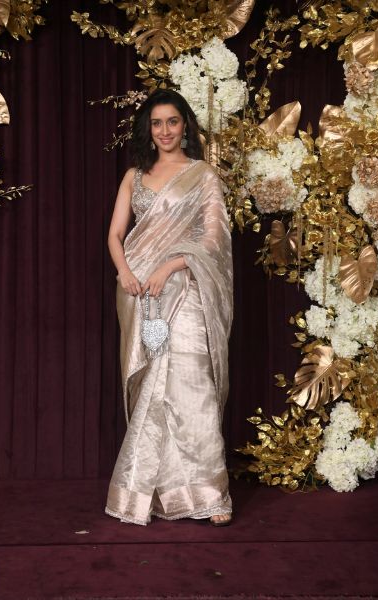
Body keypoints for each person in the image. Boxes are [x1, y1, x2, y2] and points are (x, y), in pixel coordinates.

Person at [104, 88, 234, 527]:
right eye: (157, 123)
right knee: (152, 387)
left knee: (192, 383)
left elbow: (213, 240)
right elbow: (115, 235)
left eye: (172, 121)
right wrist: (126, 273)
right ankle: (152, 492)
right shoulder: (134, 176)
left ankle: (209, 494)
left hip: (186, 287)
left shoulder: (202, 175)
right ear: (149, 128)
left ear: (185, 126)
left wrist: (172, 265)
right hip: (140, 292)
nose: (165, 131)